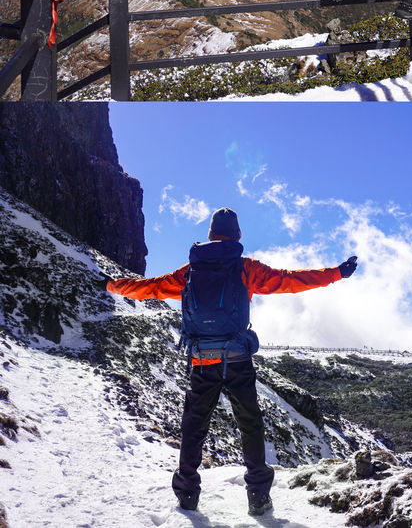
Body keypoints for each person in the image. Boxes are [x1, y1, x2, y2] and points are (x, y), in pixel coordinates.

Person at [105, 207, 358, 517]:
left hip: (201, 360)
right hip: (237, 358)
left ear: (211, 234)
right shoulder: (245, 268)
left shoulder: (189, 271)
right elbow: (290, 280)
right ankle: (257, 497)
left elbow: (151, 288)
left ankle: (186, 495)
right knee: (250, 424)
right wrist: (335, 273)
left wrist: (113, 285)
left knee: (194, 427)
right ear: (237, 235)